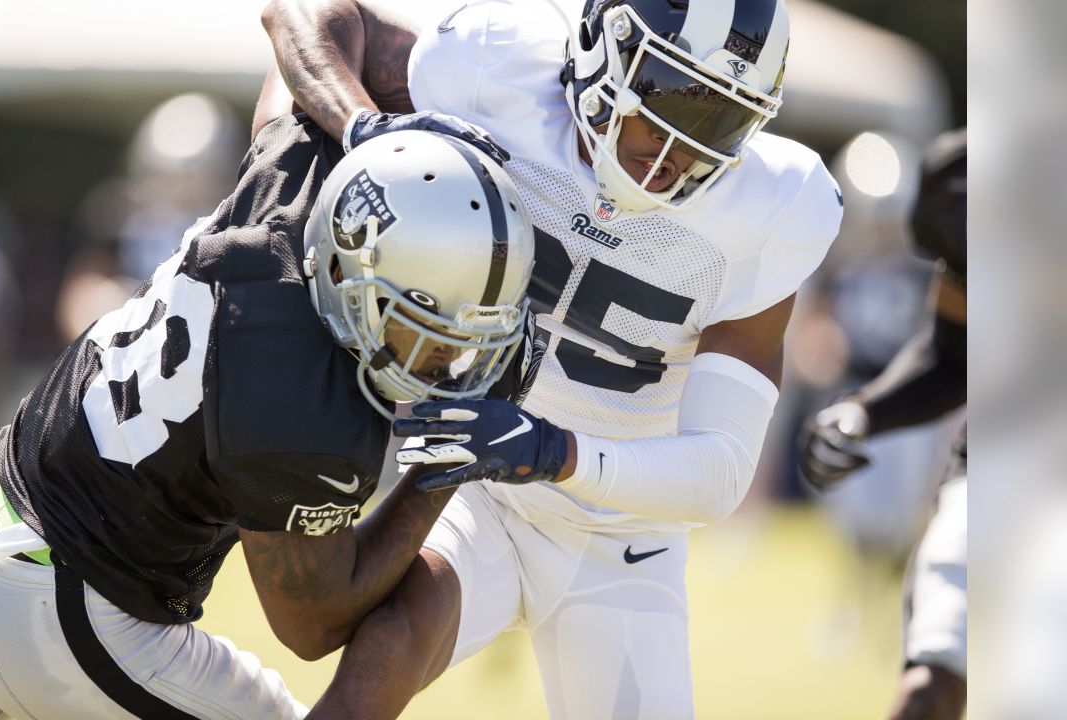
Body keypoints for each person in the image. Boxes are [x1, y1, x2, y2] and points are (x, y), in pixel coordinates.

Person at [259, 0, 843, 717]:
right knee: (379, 665)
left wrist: (554, 451)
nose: (678, 144)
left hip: (621, 532)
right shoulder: (496, 69)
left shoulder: (771, 209)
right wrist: (361, 125)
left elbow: (720, 468)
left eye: (718, 118)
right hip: (482, 489)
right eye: (665, 94)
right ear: (603, 50)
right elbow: (308, 15)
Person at [0, 121, 537, 719]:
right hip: (64, 606)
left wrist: (359, 119)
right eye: (430, 325)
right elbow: (312, 624)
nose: (451, 359)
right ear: (358, 276)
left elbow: (306, 17)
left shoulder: (290, 184)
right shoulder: (305, 411)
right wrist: (446, 466)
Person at [800, 128, 967, 720]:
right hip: (999, 464)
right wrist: (865, 410)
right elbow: (954, 357)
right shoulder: (960, 179)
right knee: (931, 677)